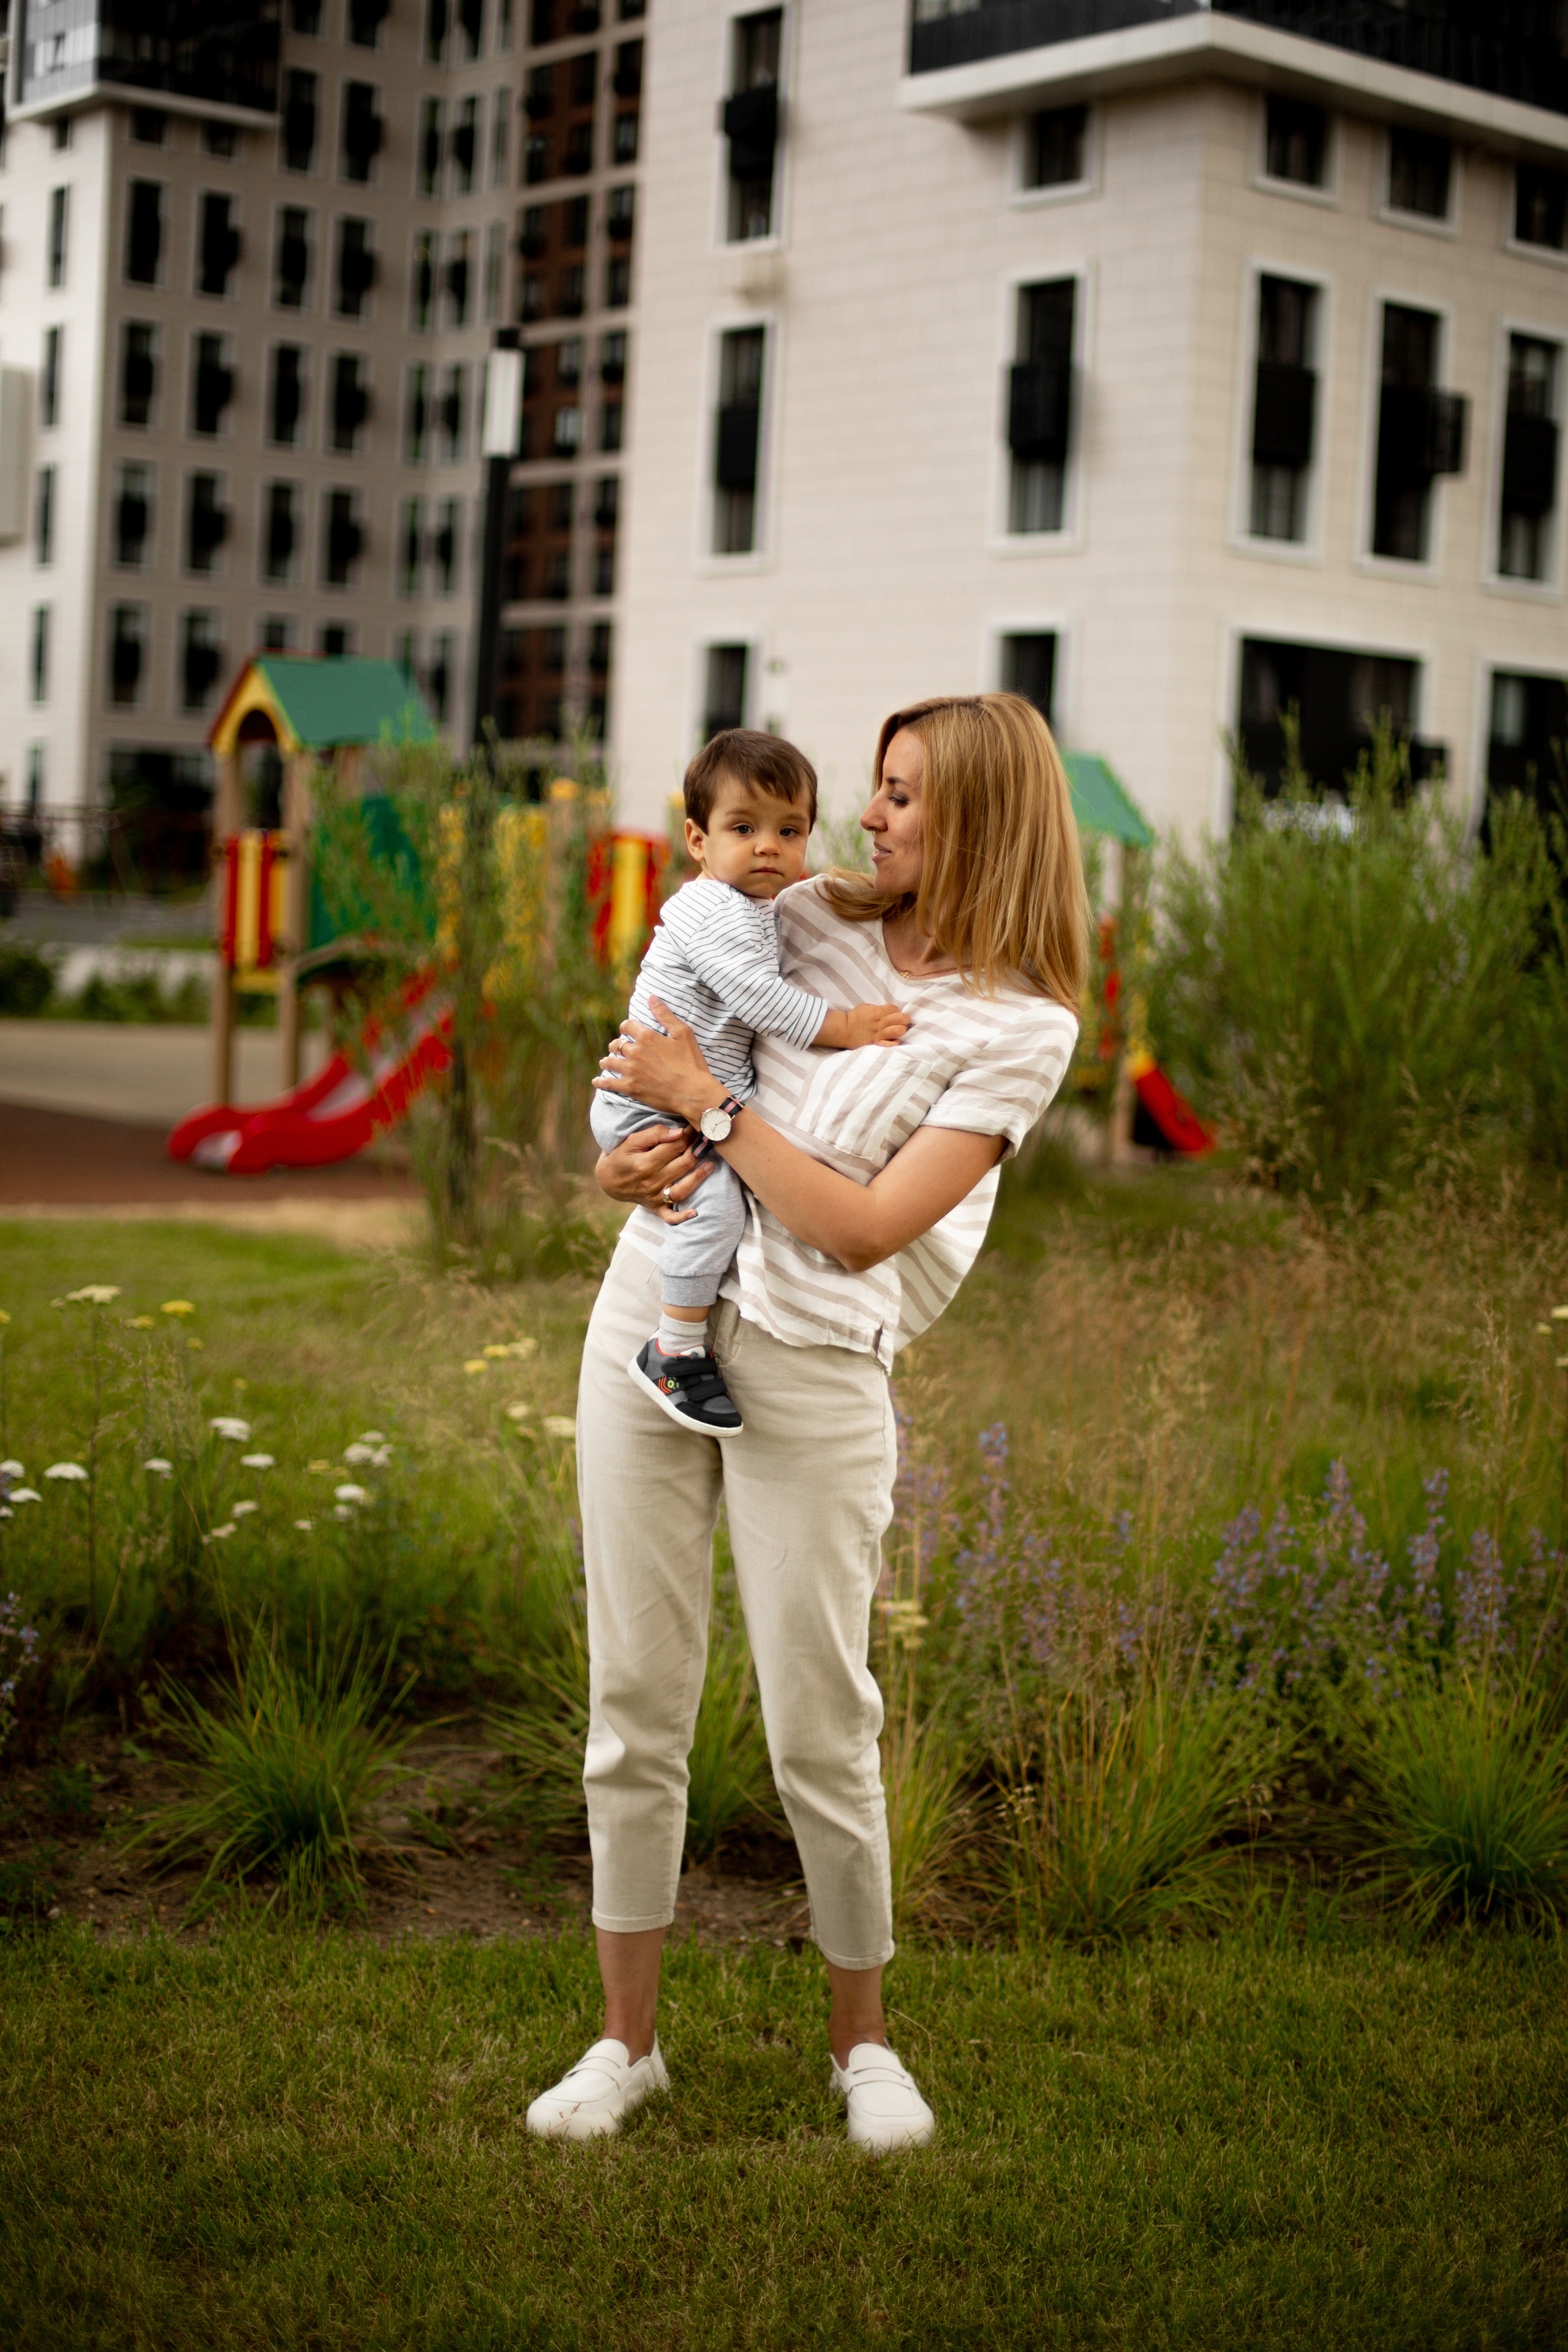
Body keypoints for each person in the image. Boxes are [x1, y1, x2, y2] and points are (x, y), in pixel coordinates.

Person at [526, 693, 1089, 2151]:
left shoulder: (1022, 1023)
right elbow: (650, 1039)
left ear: (977, 819)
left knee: (819, 1723)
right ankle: (622, 2041)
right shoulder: (795, 908)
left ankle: (863, 2049)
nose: (863, 820)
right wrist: (623, 1155)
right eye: (876, 790)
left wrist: (702, 1105)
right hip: (651, 1315)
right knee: (632, 1700)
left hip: (819, 1365)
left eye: (899, 797)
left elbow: (855, 1226)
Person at [588, 729, 908, 1439]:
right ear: (698, 841)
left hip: (676, 1092)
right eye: (744, 828)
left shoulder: (755, 908)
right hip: (647, 1099)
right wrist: (849, 1024)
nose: (769, 846)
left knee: (719, 1195)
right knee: (718, 1207)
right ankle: (674, 1350)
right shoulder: (715, 911)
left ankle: (678, 1340)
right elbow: (761, 1001)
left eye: (789, 830)